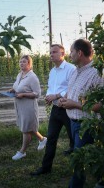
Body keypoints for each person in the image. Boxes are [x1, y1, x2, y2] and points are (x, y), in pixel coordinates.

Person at [58, 39, 104, 188]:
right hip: (74, 122)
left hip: (86, 125)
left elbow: (101, 105)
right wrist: (64, 99)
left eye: (71, 51)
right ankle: (103, 179)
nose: (69, 55)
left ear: (79, 53)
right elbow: (71, 92)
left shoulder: (97, 74)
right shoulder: (75, 71)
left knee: (79, 160)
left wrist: (75, 105)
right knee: (91, 156)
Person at [30, 44, 76, 176]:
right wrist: (50, 97)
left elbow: (72, 88)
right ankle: (46, 168)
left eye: (54, 52)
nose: (51, 54)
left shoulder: (70, 69)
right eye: (50, 52)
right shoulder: (53, 71)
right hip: (56, 109)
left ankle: (79, 166)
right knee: (51, 138)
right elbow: (51, 88)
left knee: (74, 138)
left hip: (68, 109)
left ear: (63, 54)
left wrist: (56, 96)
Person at [9, 55, 47, 160]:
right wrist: (13, 90)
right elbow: (18, 86)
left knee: (26, 129)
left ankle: (22, 152)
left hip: (28, 106)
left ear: (29, 64)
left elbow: (37, 93)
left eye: (24, 62)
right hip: (20, 105)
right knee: (29, 127)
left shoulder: (32, 77)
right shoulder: (20, 75)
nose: (21, 64)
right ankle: (43, 139)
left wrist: (23, 95)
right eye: (20, 62)